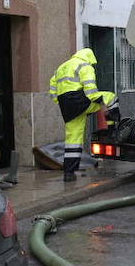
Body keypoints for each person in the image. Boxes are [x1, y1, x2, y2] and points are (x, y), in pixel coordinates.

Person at [48, 47, 116, 182]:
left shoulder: (61, 67)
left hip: (66, 106)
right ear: (90, 58)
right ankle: (111, 130)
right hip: (80, 101)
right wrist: (102, 104)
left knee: (73, 140)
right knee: (111, 97)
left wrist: (63, 103)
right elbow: (91, 92)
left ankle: (69, 173)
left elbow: (52, 90)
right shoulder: (85, 66)